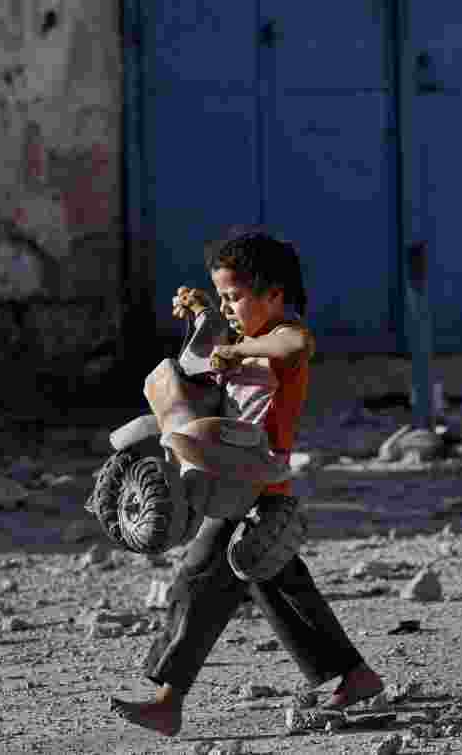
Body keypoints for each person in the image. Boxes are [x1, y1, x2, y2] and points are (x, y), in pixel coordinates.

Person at [110, 229, 385, 737]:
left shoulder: (285, 341)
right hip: (237, 482)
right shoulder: (241, 338)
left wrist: (238, 352)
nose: (228, 306)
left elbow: (292, 340)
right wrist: (201, 314)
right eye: (223, 296)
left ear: (274, 295)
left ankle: (167, 701)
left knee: (198, 579)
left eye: (235, 296)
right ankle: (356, 674)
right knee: (278, 584)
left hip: (255, 484)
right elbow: (217, 357)